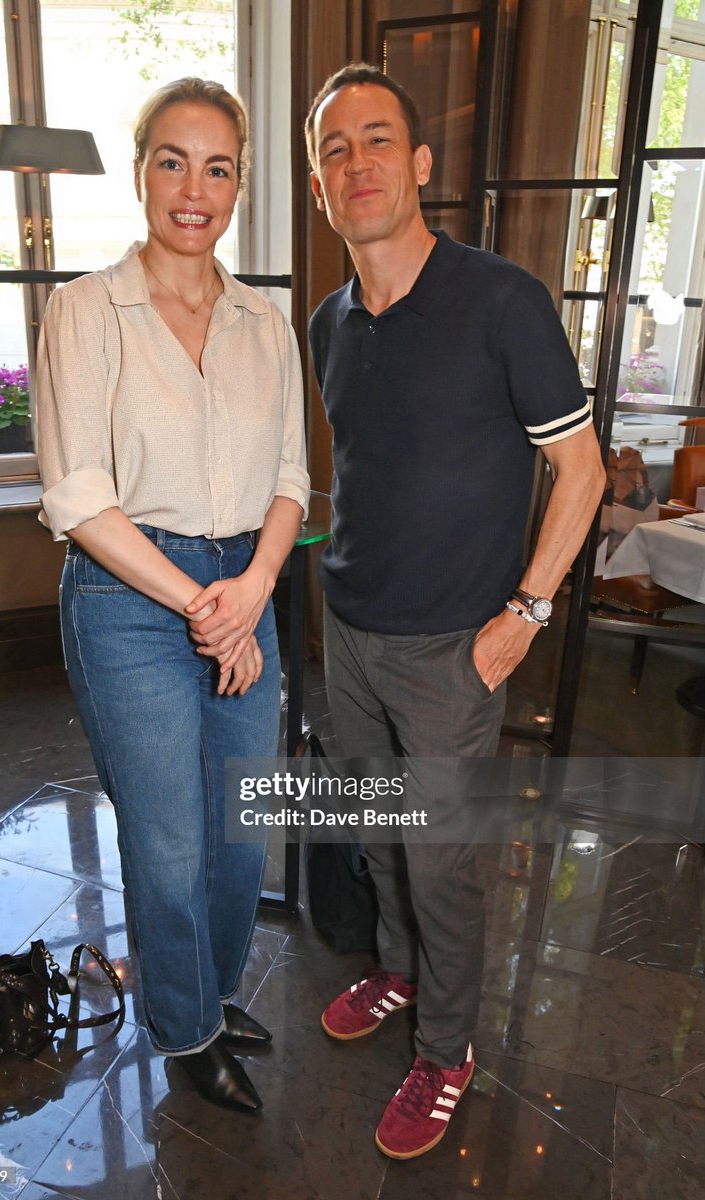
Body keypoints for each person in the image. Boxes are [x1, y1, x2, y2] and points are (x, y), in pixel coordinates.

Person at [305, 64, 605, 1159]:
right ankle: (395, 968)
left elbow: (581, 472)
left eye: (376, 139)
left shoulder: (500, 300)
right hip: (348, 630)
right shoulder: (326, 322)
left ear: (420, 164)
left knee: (442, 861)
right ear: (317, 184)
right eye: (333, 150)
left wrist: (521, 615)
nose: (357, 164)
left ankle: (445, 1047)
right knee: (377, 836)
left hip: (452, 650)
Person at [35, 77, 309, 1114]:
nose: (194, 188)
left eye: (219, 166)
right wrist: (205, 608)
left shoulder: (263, 324)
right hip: (126, 592)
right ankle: (184, 1028)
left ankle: (205, 991)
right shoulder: (84, 308)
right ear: (141, 165)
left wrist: (249, 591)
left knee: (241, 830)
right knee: (167, 839)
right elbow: (75, 495)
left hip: (247, 577)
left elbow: (291, 477)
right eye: (172, 160)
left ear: (239, 183)